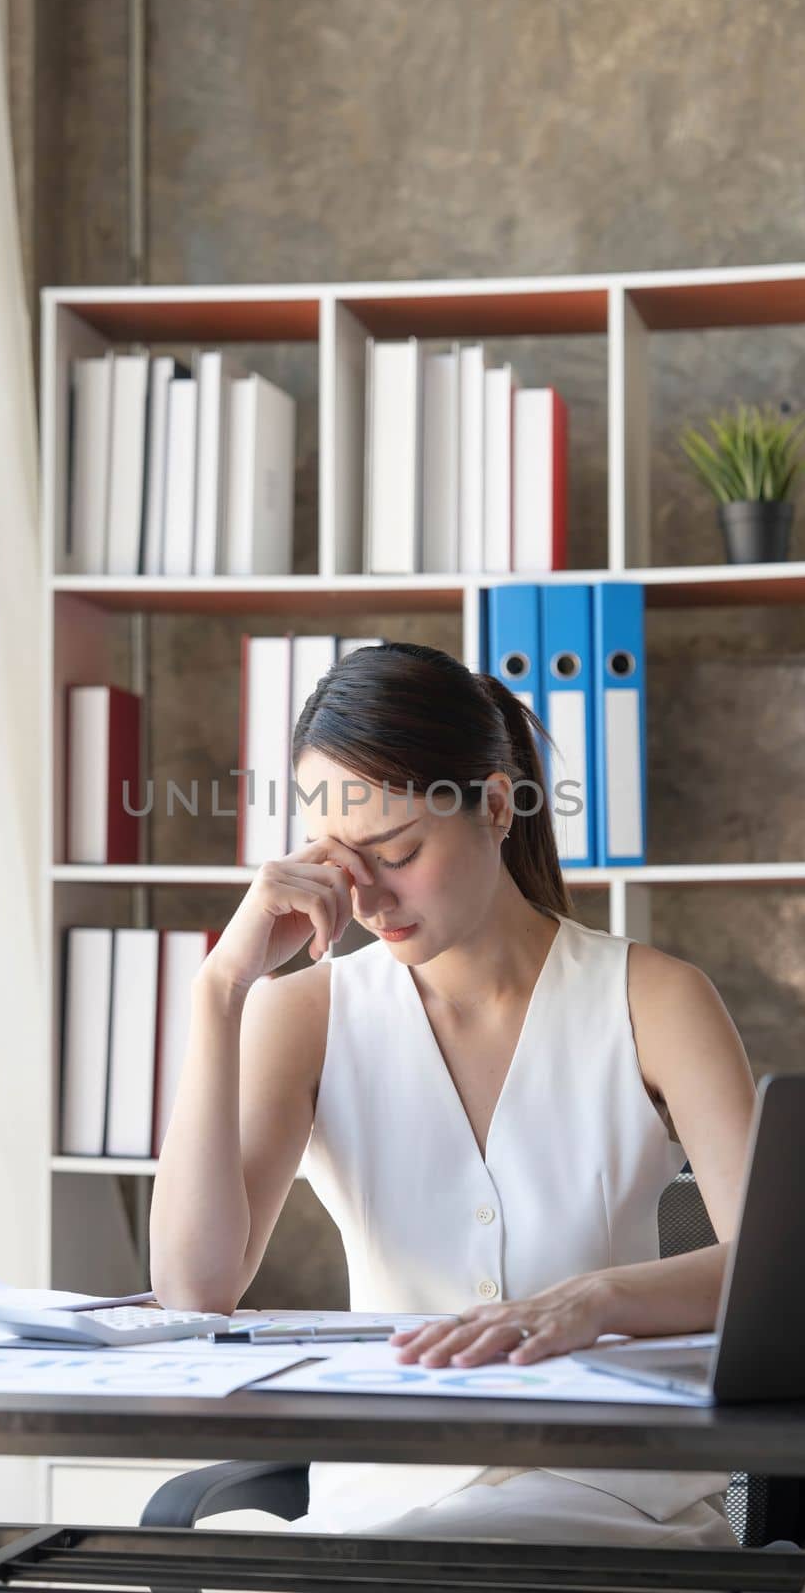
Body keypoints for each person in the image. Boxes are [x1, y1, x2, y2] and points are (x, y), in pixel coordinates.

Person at [149, 640, 758, 1550]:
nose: (368, 898)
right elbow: (194, 1288)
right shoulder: (308, 1014)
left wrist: (597, 1299)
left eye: (396, 851)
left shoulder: (653, 998)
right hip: (381, 1503)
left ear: (497, 806)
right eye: (341, 860)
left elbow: (768, 1267)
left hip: (612, 1500)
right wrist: (219, 989)